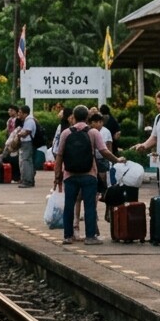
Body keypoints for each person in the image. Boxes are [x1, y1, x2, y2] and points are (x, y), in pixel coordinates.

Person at [54, 105, 125, 244]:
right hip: (89, 174)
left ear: (73, 117)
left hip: (70, 175)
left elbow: (59, 155)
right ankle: (90, 236)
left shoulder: (66, 133)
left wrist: (57, 176)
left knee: (69, 205)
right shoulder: (93, 133)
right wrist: (117, 159)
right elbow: (104, 151)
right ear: (87, 117)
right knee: (90, 206)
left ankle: (68, 236)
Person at [17, 105, 39, 188]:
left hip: (27, 143)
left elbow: (27, 132)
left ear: (25, 113)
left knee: (26, 161)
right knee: (27, 161)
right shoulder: (27, 120)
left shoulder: (29, 121)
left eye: (20, 112)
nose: (19, 114)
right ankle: (29, 180)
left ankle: (27, 181)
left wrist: (19, 134)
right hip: (26, 143)